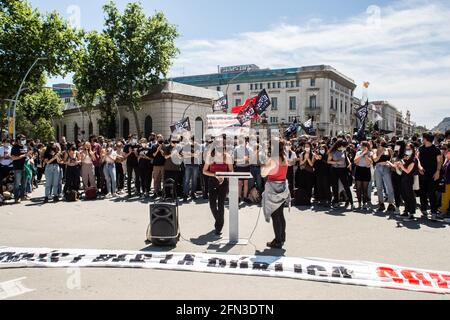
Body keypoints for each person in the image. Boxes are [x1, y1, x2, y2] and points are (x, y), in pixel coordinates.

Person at [261, 138, 290, 249]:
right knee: (280, 214)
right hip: (282, 186)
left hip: (273, 187)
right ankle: (282, 237)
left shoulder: (273, 159)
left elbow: (263, 174)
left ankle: (277, 240)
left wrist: (263, 166)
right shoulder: (284, 158)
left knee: (275, 215)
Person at [203, 139, 234, 235]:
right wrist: (215, 175)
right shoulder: (210, 157)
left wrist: (224, 176)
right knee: (212, 204)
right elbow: (204, 171)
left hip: (223, 182)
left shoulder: (227, 156)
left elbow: (231, 171)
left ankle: (218, 227)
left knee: (221, 205)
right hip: (213, 181)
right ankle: (219, 220)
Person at [418, 132, 443, 220]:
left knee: (432, 194)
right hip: (422, 174)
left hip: (433, 175)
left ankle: (433, 212)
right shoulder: (421, 148)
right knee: (422, 192)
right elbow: (417, 159)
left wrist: (438, 171)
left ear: (426, 139)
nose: (422, 139)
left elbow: (439, 161)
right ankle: (424, 209)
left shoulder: (436, 149)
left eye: (423, 138)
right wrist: (419, 167)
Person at [328, 140, 354, 209]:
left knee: (346, 186)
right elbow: (328, 161)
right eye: (345, 146)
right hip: (334, 170)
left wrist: (349, 163)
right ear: (341, 146)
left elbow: (346, 157)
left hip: (343, 170)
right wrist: (336, 162)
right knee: (335, 186)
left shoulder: (344, 151)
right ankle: (336, 202)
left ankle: (351, 202)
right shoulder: (332, 151)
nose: (346, 147)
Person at [396, 143, 418, 221]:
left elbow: (408, 171)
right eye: (406, 149)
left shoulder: (413, 159)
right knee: (405, 196)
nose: (407, 150)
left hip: (408, 179)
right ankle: (406, 211)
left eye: (409, 149)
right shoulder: (408, 158)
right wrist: (400, 165)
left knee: (410, 196)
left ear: (412, 150)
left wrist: (401, 166)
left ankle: (411, 214)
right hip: (404, 179)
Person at [372, 139, 396, 212]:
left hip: (386, 168)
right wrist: (380, 153)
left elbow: (392, 160)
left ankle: (391, 203)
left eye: (380, 144)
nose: (378, 145)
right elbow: (375, 160)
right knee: (379, 187)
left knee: (389, 186)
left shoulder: (388, 150)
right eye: (377, 144)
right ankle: (381, 203)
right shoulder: (375, 151)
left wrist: (391, 155)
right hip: (378, 168)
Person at [354, 141, 373, 210]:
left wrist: (365, 155)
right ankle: (359, 203)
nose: (360, 147)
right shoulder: (358, 153)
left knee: (365, 189)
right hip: (359, 170)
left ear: (366, 147)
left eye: (361, 146)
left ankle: (364, 204)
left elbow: (369, 163)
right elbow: (355, 161)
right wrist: (362, 155)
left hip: (366, 171)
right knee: (358, 188)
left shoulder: (370, 153)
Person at [182, 136, 201, 202]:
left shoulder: (198, 146)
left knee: (194, 180)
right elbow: (184, 155)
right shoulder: (186, 146)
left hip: (195, 165)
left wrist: (189, 154)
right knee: (187, 180)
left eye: (194, 140)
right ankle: (185, 194)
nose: (193, 141)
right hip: (188, 165)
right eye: (192, 140)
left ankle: (192, 193)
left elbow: (198, 155)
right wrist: (193, 154)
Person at [10, 135, 29, 203]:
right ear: (18, 140)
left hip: (25, 168)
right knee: (17, 184)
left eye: (24, 139)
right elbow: (13, 158)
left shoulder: (25, 147)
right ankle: (16, 198)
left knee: (24, 183)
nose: (24, 140)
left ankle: (22, 196)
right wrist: (23, 156)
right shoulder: (14, 147)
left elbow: (27, 156)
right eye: (22, 139)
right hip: (18, 168)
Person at [234, 136, 252, 203]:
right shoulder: (236, 149)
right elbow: (234, 159)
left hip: (246, 167)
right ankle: (238, 197)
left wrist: (248, 159)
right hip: (239, 167)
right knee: (239, 183)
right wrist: (242, 159)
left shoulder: (249, 149)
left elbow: (252, 159)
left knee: (246, 183)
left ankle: (244, 197)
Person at [151, 134, 166, 199]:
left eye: (161, 138)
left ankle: (163, 192)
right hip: (156, 165)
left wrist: (161, 149)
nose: (160, 139)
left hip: (163, 165)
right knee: (156, 179)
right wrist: (157, 150)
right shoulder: (154, 146)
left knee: (163, 179)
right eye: (159, 138)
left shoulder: (164, 146)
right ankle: (155, 192)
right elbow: (153, 155)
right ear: (157, 139)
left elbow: (164, 155)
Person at [440, 145, 450, 219]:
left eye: (445, 149)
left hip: (448, 181)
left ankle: (444, 212)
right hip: (446, 181)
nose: (443, 151)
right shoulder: (447, 159)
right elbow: (443, 167)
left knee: (446, 197)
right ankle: (443, 210)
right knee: (444, 196)